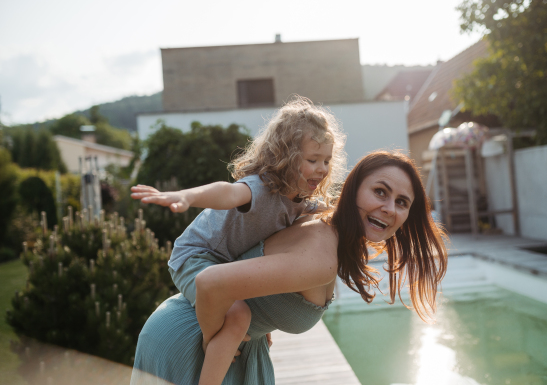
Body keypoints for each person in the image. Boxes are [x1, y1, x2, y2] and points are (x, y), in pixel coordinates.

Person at [130, 150, 448, 385]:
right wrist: (212, 336)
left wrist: (259, 319)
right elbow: (211, 283)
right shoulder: (321, 256)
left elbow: (252, 260)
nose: (389, 208)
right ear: (353, 191)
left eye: (402, 202)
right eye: (380, 191)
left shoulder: (318, 219)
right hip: (192, 344)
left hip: (229, 347)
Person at [131, 97, 346, 385]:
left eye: (327, 161)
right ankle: (212, 343)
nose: (321, 169)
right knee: (237, 317)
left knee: (242, 317)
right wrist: (187, 196)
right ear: (287, 156)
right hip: (196, 256)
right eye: (312, 160)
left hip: (223, 263)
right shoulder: (262, 188)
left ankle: (220, 338)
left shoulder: (301, 203)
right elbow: (227, 193)